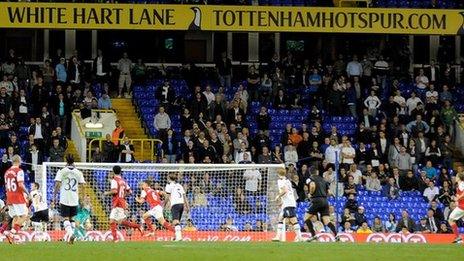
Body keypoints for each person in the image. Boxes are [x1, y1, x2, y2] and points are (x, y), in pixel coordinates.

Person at [104, 165, 142, 242]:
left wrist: (107, 193)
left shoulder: (114, 180)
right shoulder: (123, 181)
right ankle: (116, 239)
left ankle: (138, 226)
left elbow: (114, 191)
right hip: (120, 201)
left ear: (113, 172)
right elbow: (130, 191)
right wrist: (122, 196)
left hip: (117, 202)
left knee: (117, 221)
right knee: (115, 221)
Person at [52, 155, 86, 244]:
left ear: (66, 161)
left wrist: (54, 195)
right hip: (74, 198)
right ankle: (72, 236)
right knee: (72, 219)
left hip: (64, 198)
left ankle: (71, 234)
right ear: (73, 161)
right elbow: (83, 186)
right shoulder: (78, 172)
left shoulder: (61, 171)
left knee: (65, 219)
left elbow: (57, 184)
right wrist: (82, 198)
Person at [305, 168, 338, 242]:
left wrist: (310, 193)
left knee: (306, 218)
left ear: (310, 173)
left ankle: (313, 235)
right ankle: (336, 235)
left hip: (316, 200)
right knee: (326, 221)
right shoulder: (324, 180)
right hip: (325, 201)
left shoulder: (310, 179)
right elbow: (329, 192)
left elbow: (312, 186)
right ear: (317, 172)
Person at [2, 155, 29, 244]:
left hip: (9, 196)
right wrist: (27, 193)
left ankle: (13, 238)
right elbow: (20, 185)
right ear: (19, 161)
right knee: (24, 216)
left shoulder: (7, 172)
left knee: (15, 217)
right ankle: (12, 234)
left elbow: (6, 186)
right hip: (17, 196)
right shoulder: (19, 171)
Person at [272, 168, 302, 242]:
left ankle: (300, 237)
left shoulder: (280, 181)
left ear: (278, 174)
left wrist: (278, 196)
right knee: (281, 218)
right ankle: (278, 237)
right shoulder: (287, 180)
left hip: (288, 203)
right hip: (289, 202)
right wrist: (282, 202)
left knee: (293, 219)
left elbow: (285, 190)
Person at [165, 173, 190, 241]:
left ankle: (179, 237)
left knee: (176, 222)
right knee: (175, 221)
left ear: (169, 178)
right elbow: (185, 197)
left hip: (175, 204)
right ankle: (176, 236)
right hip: (181, 204)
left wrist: (164, 205)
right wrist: (187, 206)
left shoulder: (169, 185)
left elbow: (167, 197)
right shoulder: (179, 185)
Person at [448, 172, 464, 243]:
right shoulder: (460, 185)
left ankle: (458, 237)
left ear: (459, 178)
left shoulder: (461, 184)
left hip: (462, 207)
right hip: (461, 205)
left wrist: (458, 198)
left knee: (451, 220)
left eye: (456, 176)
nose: (455, 177)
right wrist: (456, 198)